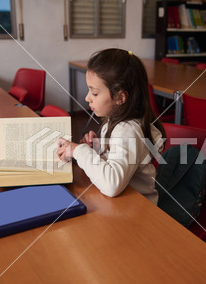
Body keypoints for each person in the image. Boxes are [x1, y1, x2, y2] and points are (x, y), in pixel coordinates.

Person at [57, 48, 165, 204]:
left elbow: (112, 185)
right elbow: (118, 156)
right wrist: (97, 149)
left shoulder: (128, 131)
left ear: (120, 97)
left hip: (140, 209)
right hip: (121, 204)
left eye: (94, 93)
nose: (88, 98)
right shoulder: (114, 120)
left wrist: (79, 151)